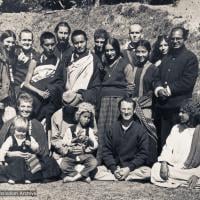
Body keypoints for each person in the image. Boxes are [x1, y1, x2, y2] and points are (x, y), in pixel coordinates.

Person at [153, 27, 199, 151]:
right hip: (163, 107)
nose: (175, 41)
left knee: (178, 142)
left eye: (178, 38)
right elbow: (156, 76)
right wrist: (158, 88)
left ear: (184, 39)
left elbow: (188, 82)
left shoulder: (190, 58)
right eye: (172, 38)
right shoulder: (167, 57)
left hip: (179, 108)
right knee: (164, 140)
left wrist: (168, 90)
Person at [0, 93, 60, 182]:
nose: (25, 109)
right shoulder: (9, 124)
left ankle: (20, 176)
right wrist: (11, 154)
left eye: (29, 107)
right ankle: (27, 176)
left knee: (50, 162)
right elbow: (2, 147)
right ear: (18, 107)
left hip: (32, 159)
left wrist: (33, 154)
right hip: (13, 160)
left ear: (32, 108)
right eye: (23, 106)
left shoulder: (37, 124)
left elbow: (43, 150)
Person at [97, 37, 134, 164]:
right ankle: (101, 159)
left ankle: (117, 161)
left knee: (115, 130)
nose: (109, 53)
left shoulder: (125, 64)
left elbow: (130, 86)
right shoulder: (104, 64)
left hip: (118, 101)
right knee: (102, 130)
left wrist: (125, 102)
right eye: (107, 51)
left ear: (117, 49)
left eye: (112, 50)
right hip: (104, 101)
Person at [95, 97, 151, 181]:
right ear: (119, 110)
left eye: (129, 109)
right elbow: (106, 152)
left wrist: (128, 168)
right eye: (123, 109)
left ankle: (121, 176)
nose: (126, 112)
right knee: (94, 171)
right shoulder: (111, 129)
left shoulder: (141, 130)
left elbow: (143, 154)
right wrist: (114, 169)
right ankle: (120, 175)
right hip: (115, 168)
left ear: (134, 110)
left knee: (149, 172)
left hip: (132, 169)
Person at [151, 99, 200, 188]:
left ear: (192, 113)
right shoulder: (176, 128)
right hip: (175, 168)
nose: (179, 114)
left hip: (193, 170)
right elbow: (167, 148)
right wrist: (164, 163)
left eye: (183, 112)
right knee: (156, 167)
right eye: (179, 111)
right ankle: (184, 181)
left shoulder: (198, 131)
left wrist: (196, 174)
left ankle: (185, 180)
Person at [22, 32, 65, 130]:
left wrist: (52, 89)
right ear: (42, 45)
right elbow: (26, 83)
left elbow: (59, 81)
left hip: (50, 97)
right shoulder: (35, 61)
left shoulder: (58, 61)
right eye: (47, 45)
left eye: (52, 44)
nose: (50, 48)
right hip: (36, 96)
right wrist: (40, 92)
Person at [60, 102, 98, 182]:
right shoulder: (70, 129)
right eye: (84, 117)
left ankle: (73, 178)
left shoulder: (89, 130)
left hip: (84, 155)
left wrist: (88, 139)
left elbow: (95, 145)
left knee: (93, 162)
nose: (86, 119)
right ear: (78, 115)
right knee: (63, 165)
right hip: (72, 155)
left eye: (88, 118)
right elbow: (64, 143)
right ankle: (83, 176)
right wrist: (73, 141)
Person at [64, 29, 102, 106]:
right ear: (73, 44)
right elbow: (63, 79)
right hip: (69, 99)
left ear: (86, 41)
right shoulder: (68, 59)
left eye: (82, 42)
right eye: (76, 43)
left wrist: (82, 95)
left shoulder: (93, 59)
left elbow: (97, 86)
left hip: (85, 100)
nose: (79, 45)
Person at [0, 116, 41, 184]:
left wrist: (31, 145)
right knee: (18, 161)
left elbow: (37, 148)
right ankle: (13, 177)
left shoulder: (29, 138)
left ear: (27, 130)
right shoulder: (11, 139)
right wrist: (1, 159)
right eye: (18, 131)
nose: (21, 133)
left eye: (24, 131)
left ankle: (28, 178)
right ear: (14, 129)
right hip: (14, 159)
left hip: (26, 158)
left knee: (32, 163)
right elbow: (3, 150)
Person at [14, 29, 40, 97]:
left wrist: (28, 62)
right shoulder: (15, 51)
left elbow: (37, 71)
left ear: (32, 41)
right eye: (24, 40)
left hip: (29, 84)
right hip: (15, 85)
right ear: (19, 41)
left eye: (29, 40)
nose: (27, 42)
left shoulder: (36, 54)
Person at [0, 30, 17, 107]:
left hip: (9, 93)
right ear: (2, 41)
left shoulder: (11, 56)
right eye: (8, 42)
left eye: (13, 42)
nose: (11, 44)